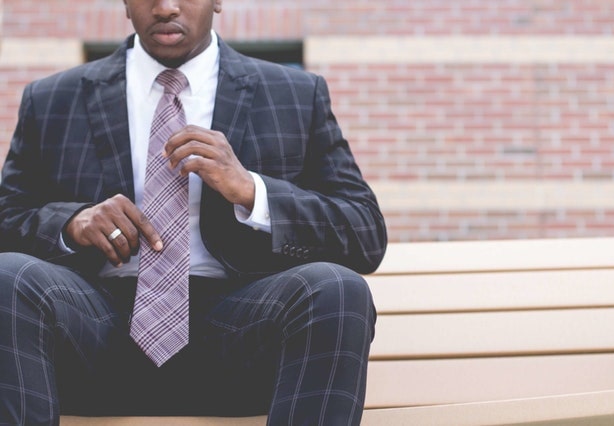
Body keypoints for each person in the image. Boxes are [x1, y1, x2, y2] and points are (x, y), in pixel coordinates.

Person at [0, 0, 387, 424]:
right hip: (91, 333)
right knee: (8, 276)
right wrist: (70, 224)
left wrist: (252, 192)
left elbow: (364, 233)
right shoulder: (53, 98)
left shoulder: (294, 93)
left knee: (336, 287)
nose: (165, 7)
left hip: (240, 337)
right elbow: (7, 218)